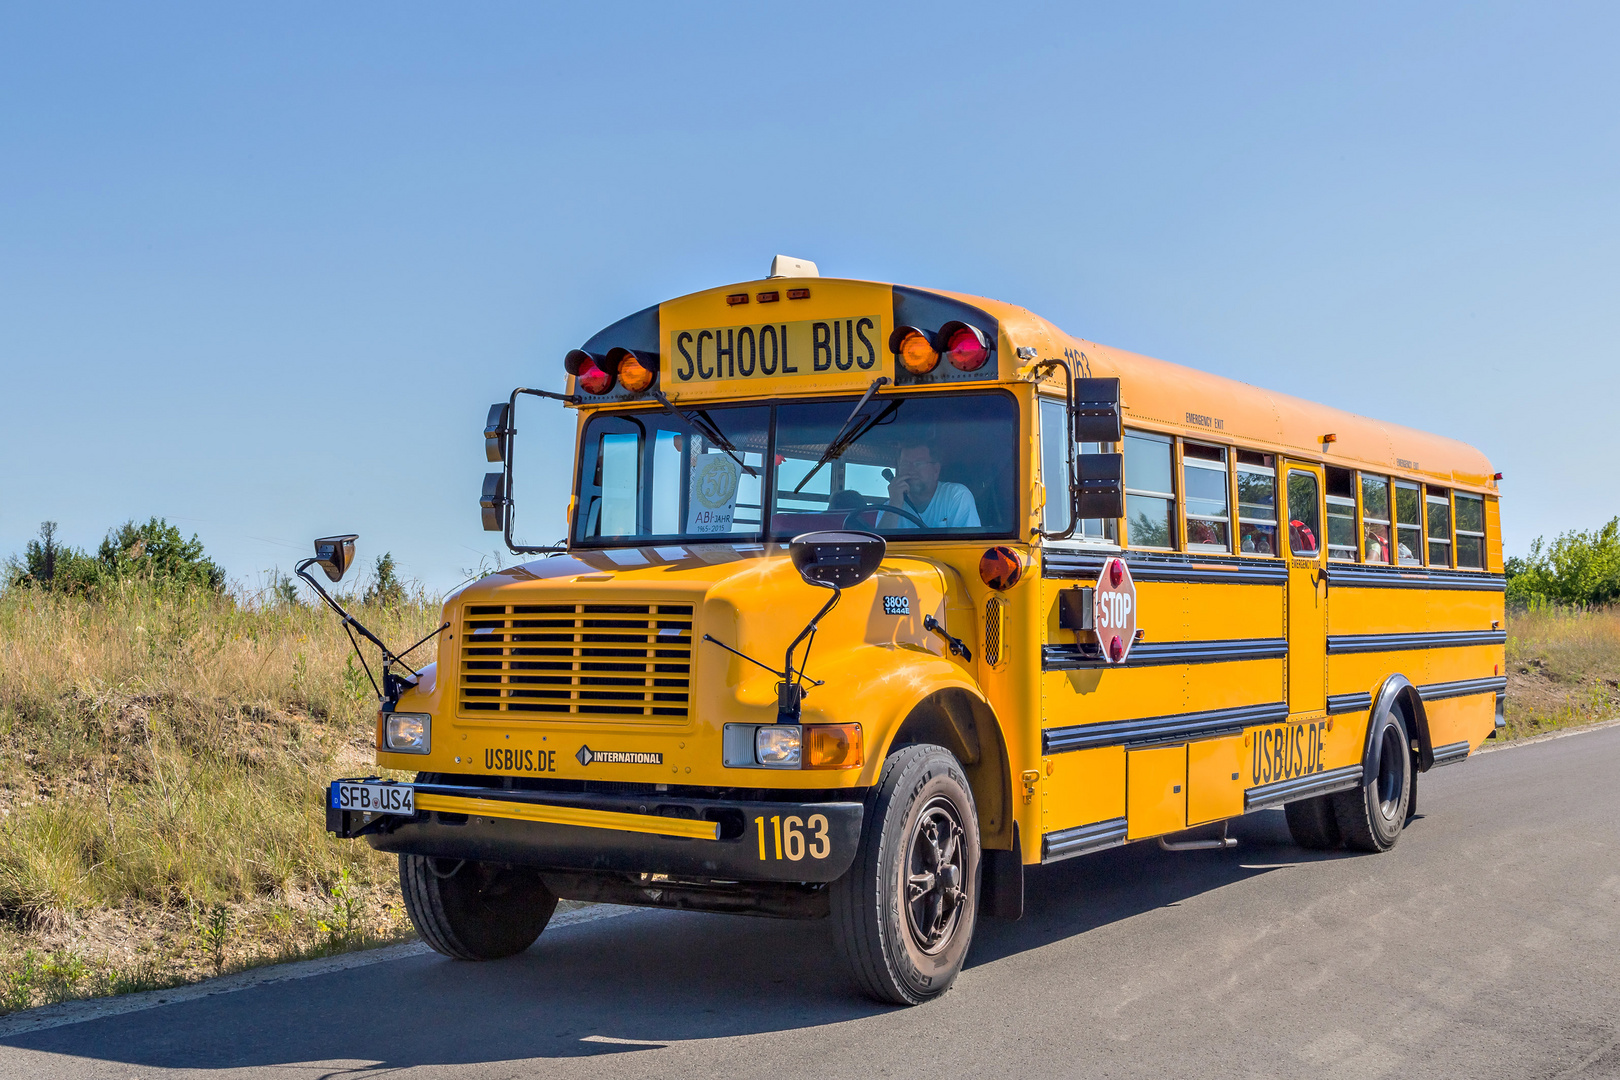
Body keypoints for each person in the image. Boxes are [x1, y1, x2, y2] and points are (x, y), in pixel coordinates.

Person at [881, 442, 980, 529]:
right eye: (905, 464)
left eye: (918, 464)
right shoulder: (889, 507)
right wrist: (894, 504)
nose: (910, 470)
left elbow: (966, 546)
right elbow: (878, 548)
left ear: (936, 470)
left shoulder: (956, 495)